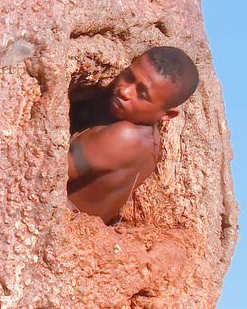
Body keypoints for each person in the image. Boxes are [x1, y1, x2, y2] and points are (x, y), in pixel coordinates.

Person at [67, 46, 199, 223]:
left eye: (142, 93)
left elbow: (50, 169)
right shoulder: (152, 143)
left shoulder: (124, 137)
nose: (125, 91)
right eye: (129, 77)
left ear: (167, 114)